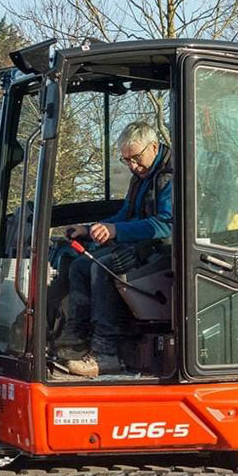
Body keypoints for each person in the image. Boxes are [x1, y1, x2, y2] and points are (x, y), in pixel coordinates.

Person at [56, 120, 172, 376]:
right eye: (126, 160)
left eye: (136, 158)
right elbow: (126, 213)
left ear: (153, 147)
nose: (132, 165)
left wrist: (117, 232)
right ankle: (76, 340)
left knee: (102, 268)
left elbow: (168, 225)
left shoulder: (170, 176)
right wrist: (90, 229)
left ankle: (105, 353)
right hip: (143, 246)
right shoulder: (142, 176)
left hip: (167, 252)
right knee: (80, 266)